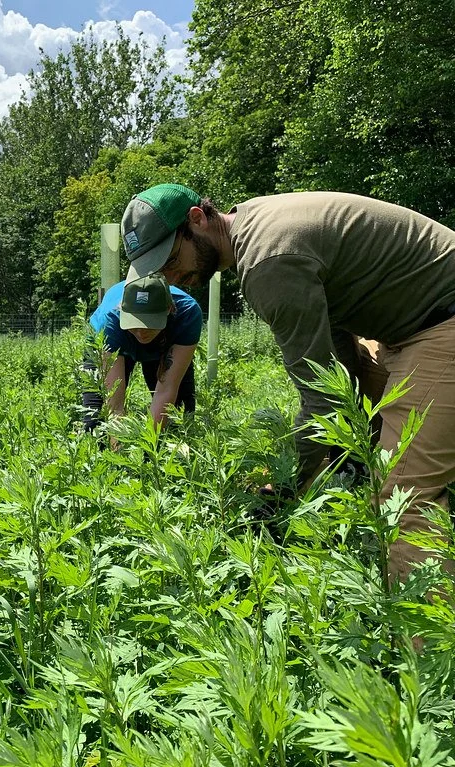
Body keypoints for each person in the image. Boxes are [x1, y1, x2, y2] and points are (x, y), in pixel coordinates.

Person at [122, 182, 455, 583]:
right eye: (161, 271)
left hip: (439, 326)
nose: (174, 278)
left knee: (402, 496)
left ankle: (424, 640)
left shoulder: (267, 262)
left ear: (197, 219)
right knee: (382, 433)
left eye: (172, 259)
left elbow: (322, 395)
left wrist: (285, 483)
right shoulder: (253, 218)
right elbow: (337, 358)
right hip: (410, 326)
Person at [82, 274, 201, 446]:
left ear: (168, 309)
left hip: (163, 342)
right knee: (96, 421)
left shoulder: (187, 314)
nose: (141, 332)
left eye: (149, 323)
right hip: (116, 339)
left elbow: (166, 389)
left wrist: (148, 448)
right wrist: (119, 454)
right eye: (134, 323)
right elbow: (115, 405)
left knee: (179, 416)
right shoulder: (110, 320)